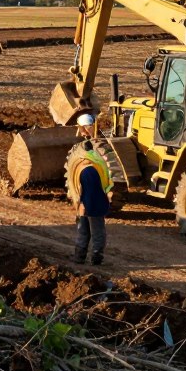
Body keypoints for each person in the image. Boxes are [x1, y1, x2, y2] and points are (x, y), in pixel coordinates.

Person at [72, 113, 113, 266]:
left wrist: (79, 203)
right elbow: (107, 184)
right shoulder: (99, 166)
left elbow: (77, 187)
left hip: (83, 204)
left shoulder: (80, 167)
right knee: (98, 233)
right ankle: (96, 258)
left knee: (83, 231)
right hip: (96, 204)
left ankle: (79, 257)